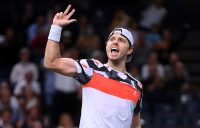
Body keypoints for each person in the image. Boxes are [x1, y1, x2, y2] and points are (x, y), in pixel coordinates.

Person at [44, 4, 143, 128]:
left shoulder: (136, 86)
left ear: (129, 50)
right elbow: (51, 62)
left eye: (121, 40)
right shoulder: (91, 68)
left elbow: (135, 125)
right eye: (112, 39)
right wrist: (56, 27)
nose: (115, 41)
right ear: (107, 45)